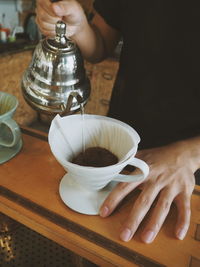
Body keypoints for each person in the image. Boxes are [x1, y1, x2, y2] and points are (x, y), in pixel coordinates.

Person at [36, 0, 200, 243]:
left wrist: (189, 154)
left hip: (188, 172)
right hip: (120, 147)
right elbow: (100, 44)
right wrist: (79, 27)